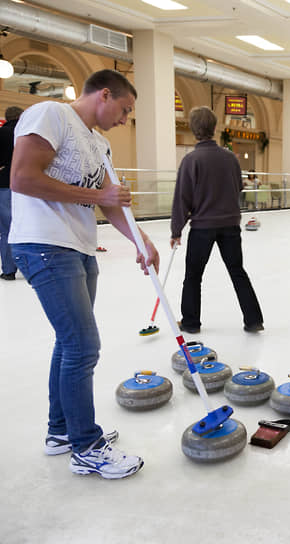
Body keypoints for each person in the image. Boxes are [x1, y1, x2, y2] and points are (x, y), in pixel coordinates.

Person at [9, 69, 157, 479]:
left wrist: (141, 240)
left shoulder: (100, 143)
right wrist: (97, 195)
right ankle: (86, 446)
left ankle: (61, 432)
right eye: (125, 109)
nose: (125, 119)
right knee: (83, 346)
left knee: (69, 343)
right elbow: (21, 178)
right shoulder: (50, 115)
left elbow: (112, 205)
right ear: (104, 94)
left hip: (79, 247)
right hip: (44, 245)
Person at [171, 106, 264, 334]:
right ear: (214, 128)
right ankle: (253, 320)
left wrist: (176, 230)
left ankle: (191, 322)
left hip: (203, 227)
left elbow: (182, 198)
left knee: (193, 275)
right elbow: (238, 187)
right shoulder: (231, 158)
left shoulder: (191, 160)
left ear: (194, 130)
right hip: (230, 225)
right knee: (237, 271)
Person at [0, 106, 24, 280]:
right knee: (26, 226)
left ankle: (9, 269)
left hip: (5, 184)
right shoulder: (28, 134)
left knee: (7, 228)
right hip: (28, 186)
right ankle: (28, 266)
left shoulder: (2, 133)